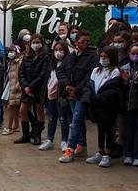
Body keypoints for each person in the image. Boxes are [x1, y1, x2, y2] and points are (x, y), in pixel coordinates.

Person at [84, 46, 124, 167]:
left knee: (109, 129)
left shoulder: (115, 71)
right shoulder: (96, 70)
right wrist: (90, 98)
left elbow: (112, 88)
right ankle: (100, 151)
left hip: (108, 106)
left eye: (105, 57)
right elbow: (90, 85)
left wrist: (99, 98)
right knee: (100, 129)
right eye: (101, 56)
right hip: (97, 105)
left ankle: (108, 153)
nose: (103, 59)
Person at [61, 34, 98, 162]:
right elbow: (61, 71)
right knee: (78, 120)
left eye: (87, 41)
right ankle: (82, 145)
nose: (85, 44)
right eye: (82, 41)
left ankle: (70, 148)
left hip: (83, 94)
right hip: (71, 93)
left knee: (76, 119)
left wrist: (76, 89)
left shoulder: (92, 56)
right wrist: (67, 85)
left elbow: (90, 76)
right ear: (76, 42)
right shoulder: (71, 56)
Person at [15, 33, 50, 144]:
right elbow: (21, 73)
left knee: (39, 110)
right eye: (33, 43)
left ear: (42, 44)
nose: (35, 45)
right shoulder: (26, 57)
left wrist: (31, 87)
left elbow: (43, 75)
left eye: (37, 42)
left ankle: (37, 135)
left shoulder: (45, 57)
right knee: (22, 110)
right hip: (27, 89)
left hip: (38, 89)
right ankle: (25, 135)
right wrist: (25, 86)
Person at [40, 40, 73, 150]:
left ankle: (64, 140)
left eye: (61, 50)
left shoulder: (68, 65)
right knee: (51, 118)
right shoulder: (51, 65)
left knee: (63, 118)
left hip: (61, 96)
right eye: (56, 50)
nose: (58, 52)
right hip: (51, 95)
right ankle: (50, 139)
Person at [1, 32, 29, 135]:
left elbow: (19, 75)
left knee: (11, 107)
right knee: (15, 107)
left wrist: (17, 85)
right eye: (9, 51)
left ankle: (9, 127)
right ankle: (16, 125)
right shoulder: (11, 61)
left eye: (12, 51)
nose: (10, 53)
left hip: (16, 86)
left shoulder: (19, 62)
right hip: (10, 85)